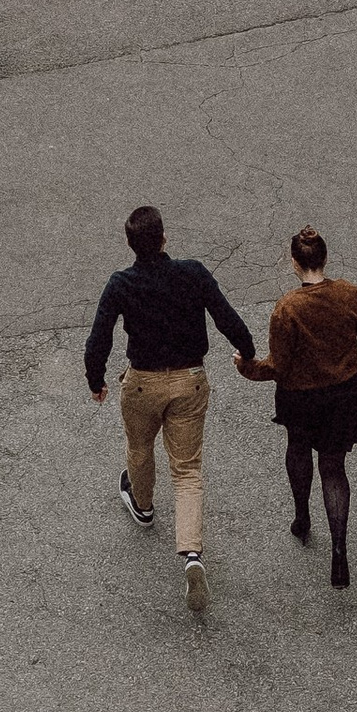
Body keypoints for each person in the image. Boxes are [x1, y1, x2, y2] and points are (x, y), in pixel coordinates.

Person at [85, 204, 256, 614]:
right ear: (164, 238)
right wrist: (247, 351)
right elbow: (225, 317)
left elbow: (99, 337)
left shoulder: (121, 283)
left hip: (142, 382)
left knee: (140, 447)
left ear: (131, 245)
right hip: (189, 380)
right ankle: (192, 554)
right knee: (187, 469)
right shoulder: (192, 272)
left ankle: (142, 505)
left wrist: (96, 380)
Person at [236, 227, 357, 590]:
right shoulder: (348, 293)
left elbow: (277, 366)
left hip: (301, 398)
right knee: (334, 467)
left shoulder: (287, 308)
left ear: (294, 263)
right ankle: (340, 550)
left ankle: (301, 517)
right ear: (325, 259)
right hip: (345, 394)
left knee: (297, 449)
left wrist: (245, 366)